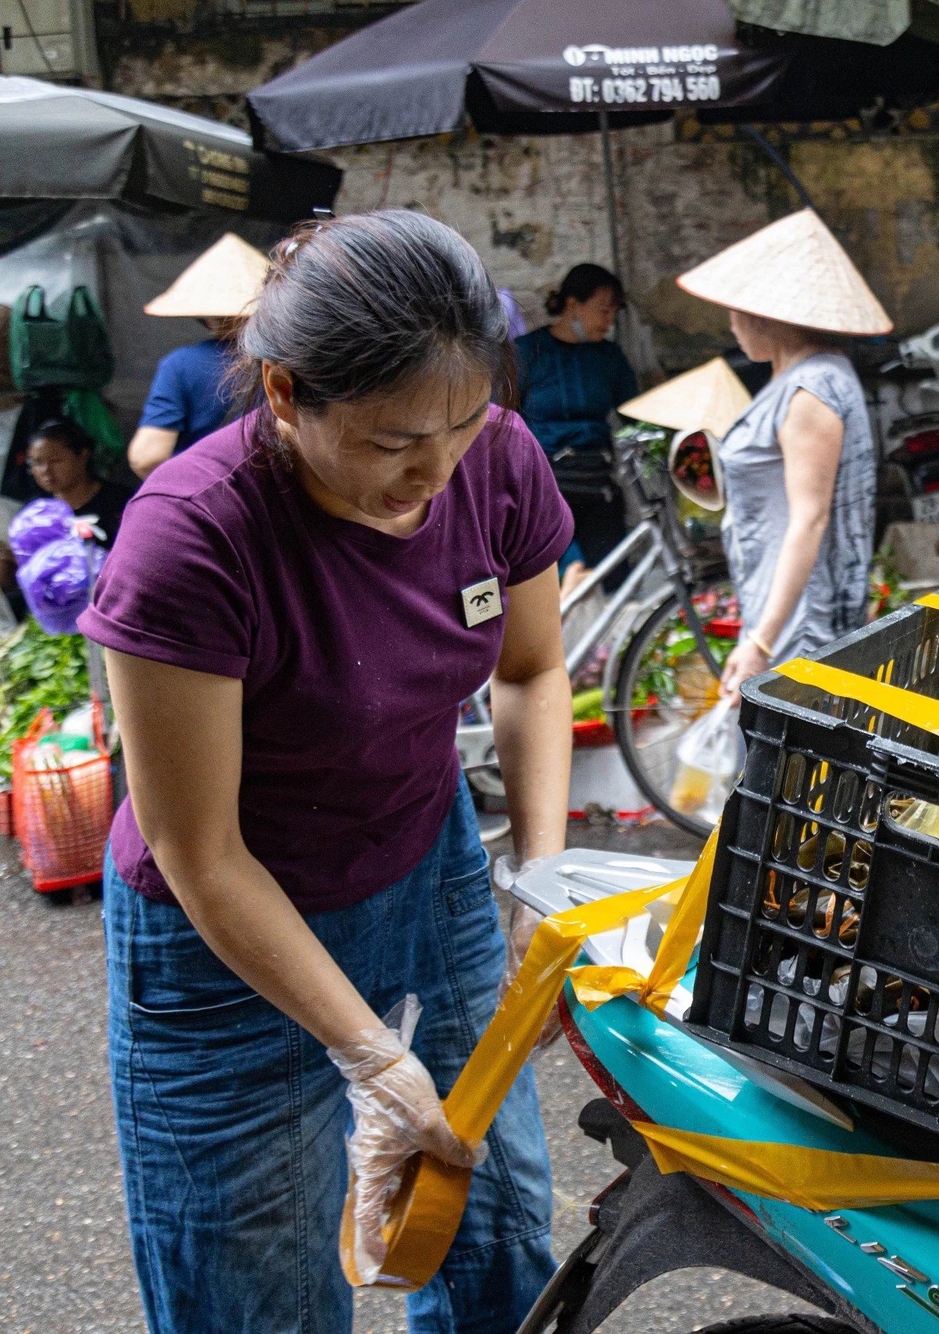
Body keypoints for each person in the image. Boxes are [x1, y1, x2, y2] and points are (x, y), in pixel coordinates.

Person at [81, 210, 573, 1333]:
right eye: (394, 440)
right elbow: (198, 850)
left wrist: (543, 883)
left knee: (491, 1216)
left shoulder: (492, 458)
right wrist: (367, 1052)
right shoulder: (190, 538)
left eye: (456, 425)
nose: (433, 472)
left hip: (423, 853)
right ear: (288, 394)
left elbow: (534, 670)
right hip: (224, 928)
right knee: (257, 1290)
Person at [675, 210, 888, 694]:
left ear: (767, 316)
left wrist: (762, 641)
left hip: (800, 621)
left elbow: (809, 520)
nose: (730, 325)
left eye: (736, 311)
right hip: (782, 604)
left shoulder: (812, 390)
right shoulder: (795, 376)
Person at [514, 263, 639, 571]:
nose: (609, 322)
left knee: (612, 580)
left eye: (613, 313)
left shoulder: (610, 358)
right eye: (603, 311)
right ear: (572, 305)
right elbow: (500, 421)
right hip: (543, 487)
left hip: (598, 480)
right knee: (560, 579)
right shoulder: (526, 353)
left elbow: (635, 416)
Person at [129, 232, 268, 478]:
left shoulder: (180, 365)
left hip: (212, 495)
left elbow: (146, 458)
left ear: (204, 316)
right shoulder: (292, 361)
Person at [27, 417, 132, 545]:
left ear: (82, 457)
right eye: (37, 463)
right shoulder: (35, 512)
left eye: (55, 461)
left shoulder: (122, 502)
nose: (45, 470)